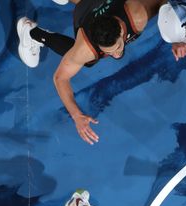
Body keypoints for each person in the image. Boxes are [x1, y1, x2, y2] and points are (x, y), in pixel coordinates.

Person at [16, 0, 166, 144]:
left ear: (121, 31)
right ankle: (31, 33)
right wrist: (76, 115)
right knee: (88, 60)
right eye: (108, 51)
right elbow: (60, 78)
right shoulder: (86, 48)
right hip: (85, 13)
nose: (115, 55)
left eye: (118, 47)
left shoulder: (138, 15)